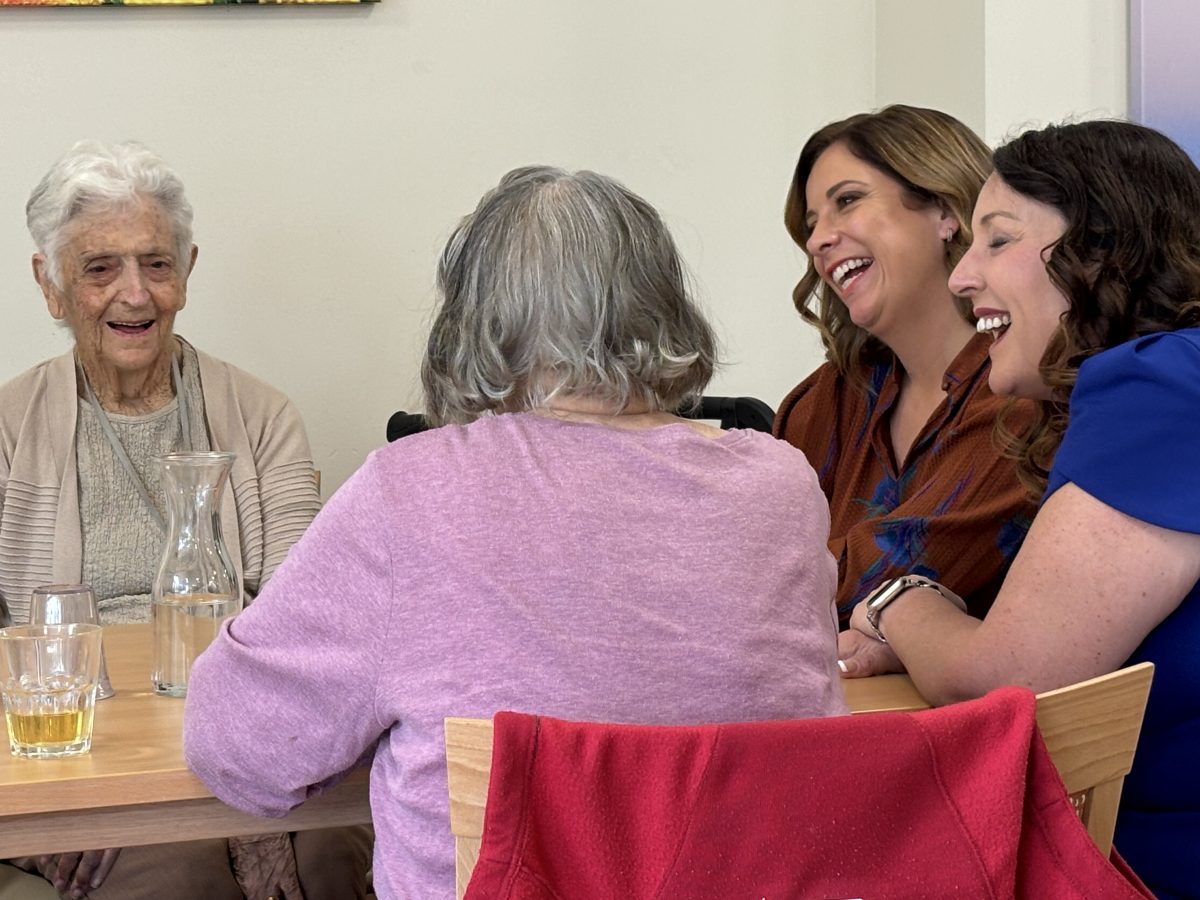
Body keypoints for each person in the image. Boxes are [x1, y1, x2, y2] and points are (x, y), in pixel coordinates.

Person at [182, 165, 849, 899]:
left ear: (474, 324)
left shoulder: (413, 491)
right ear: (665, 307)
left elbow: (236, 748)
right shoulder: (781, 487)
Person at [837, 120, 1200, 900]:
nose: (963, 277)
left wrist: (896, 602)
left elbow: (1002, 682)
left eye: (996, 241)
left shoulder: (1160, 384)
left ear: (1098, 255)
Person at [0, 141, 370, 899]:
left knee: (334, 855)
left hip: (258, 740)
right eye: (100, 268)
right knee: (174, 876)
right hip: (83, 758)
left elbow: (306, 626)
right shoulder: (8, 429)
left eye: (157, 264)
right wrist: (66, 814)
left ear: (188, 272)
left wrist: (247, 794)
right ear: (50, 285)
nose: (135, 295)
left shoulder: (261, 416)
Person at [774, 105, 1038, 627]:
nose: (817, 240)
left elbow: (879, 575)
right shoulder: (823, 403)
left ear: (944, 210)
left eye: (846, 201)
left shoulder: (1026, 395)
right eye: (811, 224)